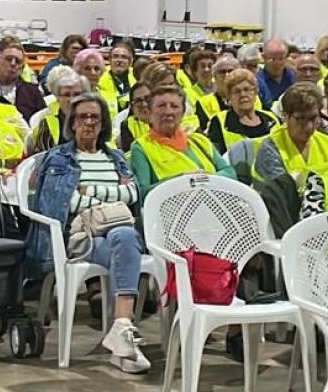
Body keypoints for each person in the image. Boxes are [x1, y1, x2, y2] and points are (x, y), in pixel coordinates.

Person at [27, 96, 151, 373]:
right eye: (82, 117)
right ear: (72, 123)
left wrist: (90, 193)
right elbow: (60, 204)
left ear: (104, 123)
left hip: (116, 233)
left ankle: (121, 331)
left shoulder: (115, 157)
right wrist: (113, 196)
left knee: (125, 238)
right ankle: (124, 338)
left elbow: (134, 194)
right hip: (80, 235)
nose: (89, 122)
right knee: (126, 242)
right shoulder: (59, 158)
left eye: (95, 117)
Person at [127, 84, 232, 197]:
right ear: (150, 113)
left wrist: (205, 178)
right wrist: (183, 180)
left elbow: (229, 172)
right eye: (161, 106)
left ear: (182, 113)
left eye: (174, 106)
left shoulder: (199, 140)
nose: (168, 112)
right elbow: (142, 192)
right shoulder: (141, 147)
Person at [250, 83, 328, 187]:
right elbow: (281, 193)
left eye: (313, 118)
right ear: (286, 117)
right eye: (301, 119)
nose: (309, 126)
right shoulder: (270, 148)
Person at [202, 68, 276, 154]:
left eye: (247, 89)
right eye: (237, 91)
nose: (243, 95)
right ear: (229, 96)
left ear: (255, 92)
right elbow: (216, 156)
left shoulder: (272, 119)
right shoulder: (220, 121)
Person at [23, 69, 88, 155]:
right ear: (57, 98)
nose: (72, 99)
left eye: (76, 94)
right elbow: (43, 159)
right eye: (66, 95)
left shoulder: (94, 120)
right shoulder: (46, 125)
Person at [0, 41, 46, 120]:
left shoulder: (33, 92)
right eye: (8, 59)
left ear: (22, 68)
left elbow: (42, 122)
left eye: (18, 61)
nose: (13, 63)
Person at [256, 38, 296, 107]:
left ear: (287, 57)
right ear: (264, 57)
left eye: (281, 58)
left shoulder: (294, 77)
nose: (277, 63)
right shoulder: (256, 80)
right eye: (272, 59)